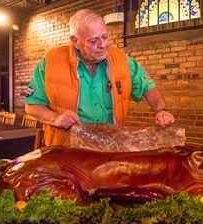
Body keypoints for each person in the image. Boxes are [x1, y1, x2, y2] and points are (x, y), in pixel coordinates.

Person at [25, 9, 175, 146]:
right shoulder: (51, 62)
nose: (102, 44)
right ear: (75, 41)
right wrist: (55, 118)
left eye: (104, 37)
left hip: (111, 146)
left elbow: (148, 87)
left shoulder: (122, 60)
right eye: (93, 40)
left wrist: (160, 110)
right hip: (66, 150)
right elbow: (31, 105)